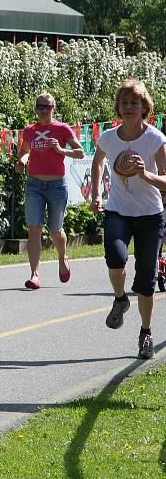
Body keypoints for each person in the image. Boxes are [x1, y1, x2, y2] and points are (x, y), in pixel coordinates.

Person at [91, 78, 166, 359]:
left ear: (144, 107)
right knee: (115, 258)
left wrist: (145, 174)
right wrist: (96, 194)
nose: (129, 107)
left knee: (147, 280)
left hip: (150, 216)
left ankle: (145, 332)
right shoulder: (109, 137)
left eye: (134, 102)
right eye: (124, 103)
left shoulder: (155, 138)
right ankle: (121, 299)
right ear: (118, 108)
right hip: (117, 211)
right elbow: (98, 160)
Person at [15, 92, 85, 289]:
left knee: (55, 231)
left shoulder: (62, 129)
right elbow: (25, 151)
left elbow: (80, 152)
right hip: (34, 184)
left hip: (56, 185)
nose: (44, 111)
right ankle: (34, 275)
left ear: (53, 108)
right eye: (40, 106)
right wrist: (21, 160)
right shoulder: (30, 130)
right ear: (36, 109)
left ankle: (62, 257)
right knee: (34, 228)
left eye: (47, 107)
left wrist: (62, 151)